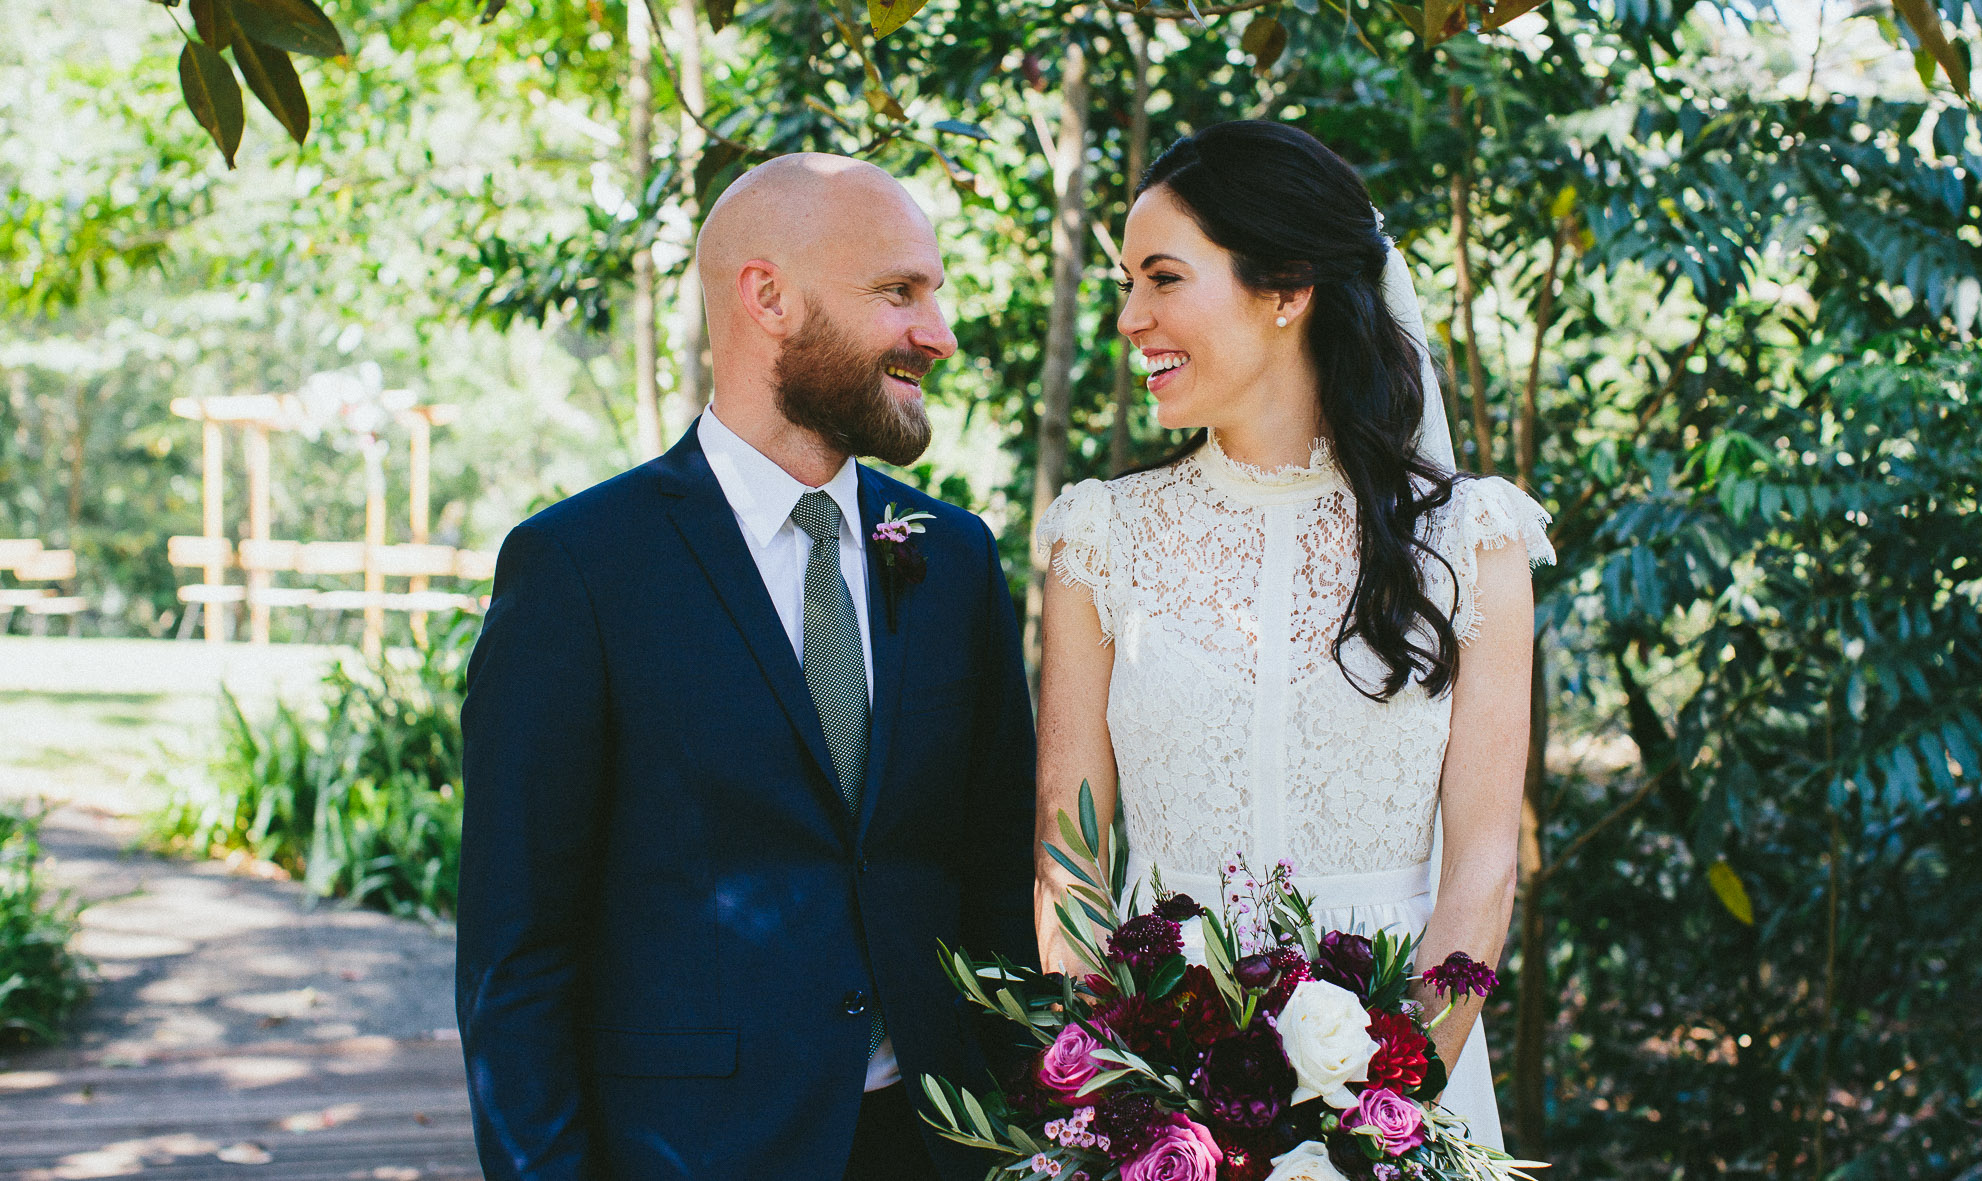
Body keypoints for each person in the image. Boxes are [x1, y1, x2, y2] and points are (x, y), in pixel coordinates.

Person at [457, 153, 1037, 1180]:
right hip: (692, 1153)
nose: (937, 334)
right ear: (766, 297)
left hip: (942, 1146)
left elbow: (994, 887)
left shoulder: (953, 559)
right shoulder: (580, 569)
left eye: (932, 294)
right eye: (898, 292)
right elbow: (520, 955)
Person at [1034, 121, 1553, 1147]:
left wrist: (1379, 1124)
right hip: (1164, 1111)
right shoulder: (1101, 538)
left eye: (1162, 278)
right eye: (1124, 283)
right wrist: (1134, 1111)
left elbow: (1482, 870)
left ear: (1284, 288)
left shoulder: (1470, 538)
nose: (1130, 318)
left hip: (1406, 1098)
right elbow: (1070, 860)